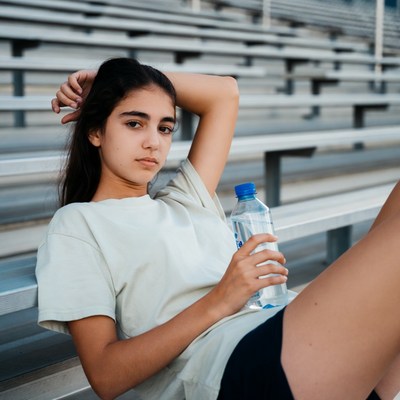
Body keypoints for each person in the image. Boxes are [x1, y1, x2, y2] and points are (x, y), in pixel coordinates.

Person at [36, 57, 400, 400]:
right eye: (134, 123)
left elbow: (224, 92)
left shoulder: (185, 199)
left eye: (165, 127)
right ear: (96, 131)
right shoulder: (78, 224)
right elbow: (105, 375)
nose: (153, 142)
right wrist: (220, 300)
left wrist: (108, 79)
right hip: (237, 370)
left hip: (297, 344)